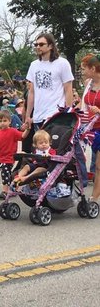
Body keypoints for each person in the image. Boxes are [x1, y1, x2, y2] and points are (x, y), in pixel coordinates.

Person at [25, 33, 74, 130]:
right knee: (40, 145)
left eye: (41, 44)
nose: (38, 47)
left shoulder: (62, 63)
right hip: (38, 116)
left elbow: (68, 90)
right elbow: (32, 92)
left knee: (54, 145)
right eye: (36, 45)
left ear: (51, 46)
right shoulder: (34, 65)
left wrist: (68, 114)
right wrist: (27, 115)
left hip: (55, 116)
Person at [0, 110, 31, 199]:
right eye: (0, 121)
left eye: (5, 121)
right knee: (7, 174)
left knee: (5, 174)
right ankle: (14, 188)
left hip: (9, 158)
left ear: (10, 121)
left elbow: (22, 136)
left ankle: (5, 191)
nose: (2, 123)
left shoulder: (13, 131)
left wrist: (28, 129)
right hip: (1, 158)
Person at [79, 54, 100, 202]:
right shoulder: (88, 83)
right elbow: (84, 104)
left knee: (98, 166)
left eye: (84, 68)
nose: (82, 71)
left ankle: (94, 198)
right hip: (91, 129)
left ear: (93, 68)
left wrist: (99, 111)